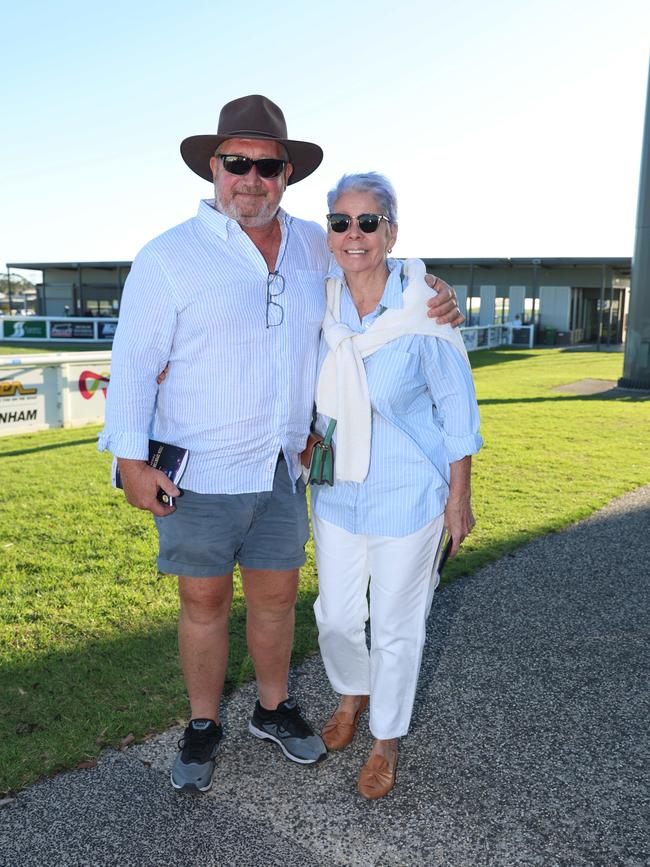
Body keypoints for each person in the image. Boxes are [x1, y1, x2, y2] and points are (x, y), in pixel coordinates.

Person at [99, 95, 463, 794]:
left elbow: (373, 263)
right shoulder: (168, 257)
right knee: (203, 603)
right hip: (197, 470)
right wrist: (129, 461)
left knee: (277, 601)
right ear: (214, 167)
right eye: (238, 163)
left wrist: (426, 282)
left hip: (285, 467)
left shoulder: (310, 243)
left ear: (286, 174)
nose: (252, 179)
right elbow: (135, 362)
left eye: (268, 166)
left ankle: (273, 708)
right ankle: (204, 724)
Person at [310, 172, 482, 799]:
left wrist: (458, 501)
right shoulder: (320, 301)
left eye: (368, 222)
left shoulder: (423, 311)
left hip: (408, 496)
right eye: (341, 222)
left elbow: (458, 413)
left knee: (396, 626)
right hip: (335, 493)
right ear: (328, 230)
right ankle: (352, 694)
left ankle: (385, 738)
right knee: (335, 616)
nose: (354, 234)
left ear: (392, 232)